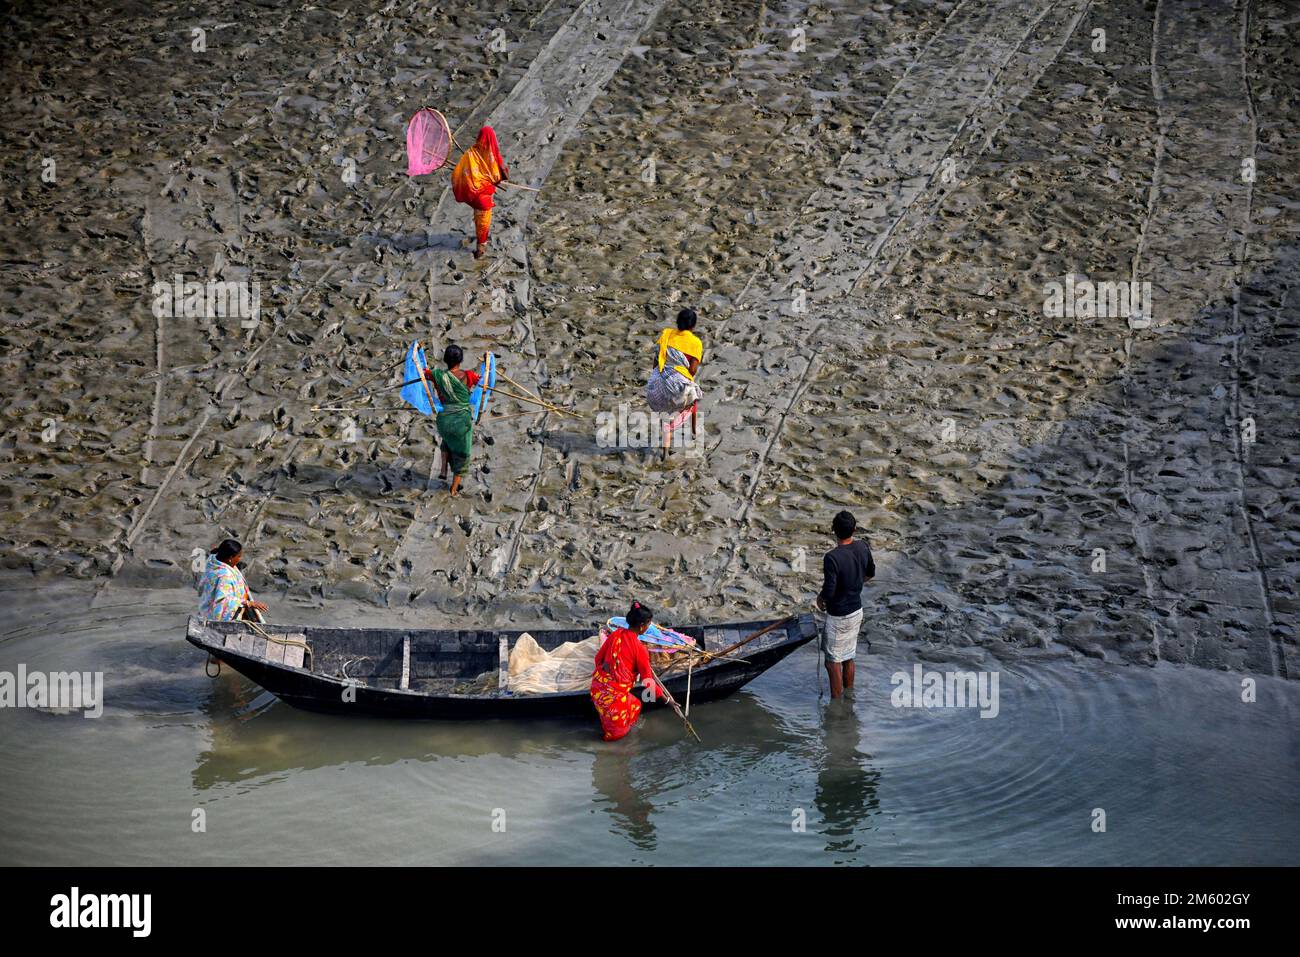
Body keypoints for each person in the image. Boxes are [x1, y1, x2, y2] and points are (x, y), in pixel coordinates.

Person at [815, 510, 875, 698]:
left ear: (833, 530)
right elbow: (870, 572)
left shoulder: (832, 558)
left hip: (838, 616)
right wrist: (855, 585)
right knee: (849, 656)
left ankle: (837, 706)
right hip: (857, 611)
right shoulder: (863, 547)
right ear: (854, 529)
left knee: (832, 662)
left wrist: (820, 599)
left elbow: (830, 589)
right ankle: (849, 696)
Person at [589, 601, 669, 741]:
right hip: (611, 697)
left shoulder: (616, 634)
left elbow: (598, 659)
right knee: (616, 737)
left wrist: (610, 673)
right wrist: (667, 700)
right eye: (649, 624)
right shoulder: (640, 649)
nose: (649, 626)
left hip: (596, 688)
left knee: (635, 705)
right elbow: (648, 682)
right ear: (642, 626)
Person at [424, 343, 480, 497]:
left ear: (445, 360)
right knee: (462, 454)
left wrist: (416, 356)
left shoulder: (437, 375)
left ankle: (443, 470)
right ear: (460, 360)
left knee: (447, 441)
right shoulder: (469, 376)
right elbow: (482, 382)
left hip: (444, 422)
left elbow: (424, 373)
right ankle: (454, 490)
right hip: (461, 422)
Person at [451, 125, 509, 259]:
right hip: (485, 198)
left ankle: (480, 244)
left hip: (473, 196)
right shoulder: (494, 156)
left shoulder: (470, 153)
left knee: (478, 218)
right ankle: (480, 249)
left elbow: (460, 173)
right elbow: (499, 177)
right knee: (483, 223)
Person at [645, 307, 704, 417]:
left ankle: (667, 424)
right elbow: (692, 370)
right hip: (676, 385)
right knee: (693, 395)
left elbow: (656, 361)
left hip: (655, 385)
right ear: (693, 325)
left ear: (678, 322)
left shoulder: (666, 334)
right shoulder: (696, 342)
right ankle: (693, 430)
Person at [196, 539, 267, 621]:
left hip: (206, 605)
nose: (240, 559)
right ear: (230, 558)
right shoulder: (224, 576)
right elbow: (224, 601)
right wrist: (249, 603)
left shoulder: (213, 560)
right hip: (213, 614)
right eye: (239, 556)